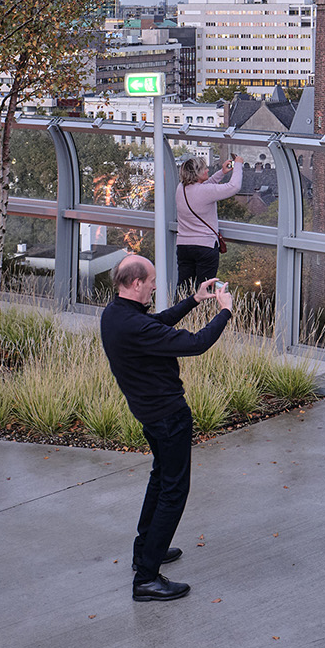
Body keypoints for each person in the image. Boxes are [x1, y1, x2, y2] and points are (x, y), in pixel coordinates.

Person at [98, 256, 234, 602]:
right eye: (152, 281)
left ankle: (145, 551)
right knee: (174, 492)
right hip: (168, 416)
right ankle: (146, 578)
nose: (155, 286)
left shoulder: (116, 315)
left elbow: (157, 323)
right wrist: (225, 311)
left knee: (160, 479)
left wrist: (194, 300)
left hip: (150, 415)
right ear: (135, 283)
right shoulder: (134, 326)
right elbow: (195, 344)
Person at [173, 155, 243, 296]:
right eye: (204, 168)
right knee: (203, 290)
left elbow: (203, 187)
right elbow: (234, 186)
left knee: (183, 289)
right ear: (197, 173)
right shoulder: (205, 192)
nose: (207, 170)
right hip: (205, 247)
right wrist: (239, 165)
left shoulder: (181, 188)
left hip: (183, 247)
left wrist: (222, 172)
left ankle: (178, 314)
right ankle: (201, 316)